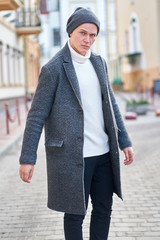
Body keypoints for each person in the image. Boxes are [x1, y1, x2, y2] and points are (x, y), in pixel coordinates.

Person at [19, 7, 134, 240]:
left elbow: (111, 106)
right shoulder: (53, 69)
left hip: (103, 154)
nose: (88, 40)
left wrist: (125, 141)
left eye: (93, 35)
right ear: (70, 32)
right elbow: (36, 116)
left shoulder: (99, 63)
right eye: (83, 33)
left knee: (103, 209)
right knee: (74, 215)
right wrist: (27, 158)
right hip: (72, 158)